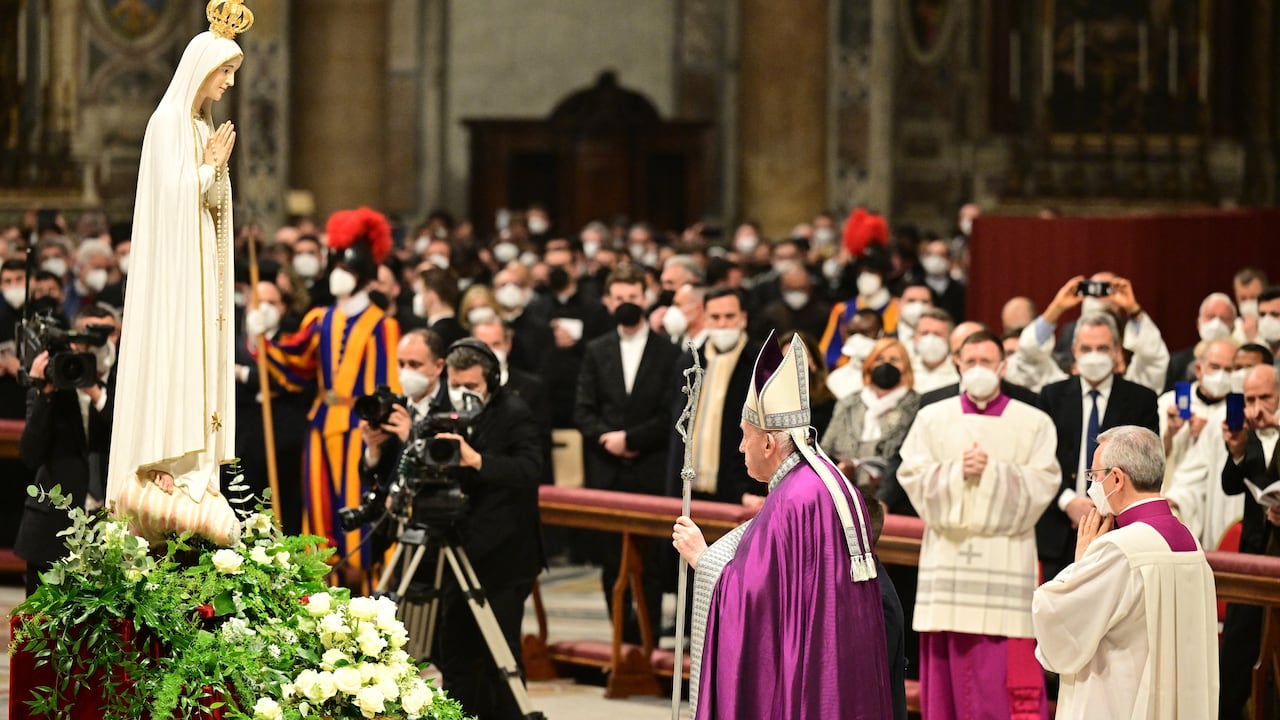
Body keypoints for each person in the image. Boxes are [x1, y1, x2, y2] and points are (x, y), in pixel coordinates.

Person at [672, 332, 891, 719]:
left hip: (810, 674)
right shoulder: (818, 481)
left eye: (745, 436)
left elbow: (755, 599)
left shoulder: (795, 499)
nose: (740, 447)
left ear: (770, 444)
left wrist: (702, 559)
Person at [106, 3, 252, 547]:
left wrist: (215, 172)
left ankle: (198, 474)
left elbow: (209, 201)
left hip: (201, 275)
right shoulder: (168, 123)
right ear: (200, 67)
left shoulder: (201, 125)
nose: (228, 83)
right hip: (176, 279)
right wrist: (211, 167)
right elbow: (170, 202)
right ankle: (165, 465)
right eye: (225, 71)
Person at [897, 330, 1059, 718]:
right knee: (946, 663)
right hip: (948, 557)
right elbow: (912, 476)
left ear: (1003, 366)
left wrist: (993, 473)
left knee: (996, 670)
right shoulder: (931, 417)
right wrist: (956, 473)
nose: (978, 370)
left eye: (987, 362)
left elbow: (1044, 485)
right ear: (958, 364)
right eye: (970, 362)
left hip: (1004, 556)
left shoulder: (1034, 422)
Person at [251, 207, 401, 589]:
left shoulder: (382, 327)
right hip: (320, 425)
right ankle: (321, 596)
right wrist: (266, 338)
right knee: (320, 513)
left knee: (358, 510)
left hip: (361, 429)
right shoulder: (319, 318)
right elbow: (297, 363)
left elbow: (387, 384)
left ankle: (368, 594)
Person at [1032, 426, 1218, 719]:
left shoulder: (1120, 549)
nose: (1093, 487)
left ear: (1116, 478)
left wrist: (1081, 562)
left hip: (1121, 702)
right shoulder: (1189, 541)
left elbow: (1056, 618)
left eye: (1094, 477)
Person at [426, 339, 545, 720]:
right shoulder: (445, 412)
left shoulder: (515, 412)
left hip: (505, 557)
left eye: (472, 387)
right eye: (456, 386)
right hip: (458, 547)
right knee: (455, 653)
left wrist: (477, 460)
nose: (463, 395)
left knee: (500, 657)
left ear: (491, 380)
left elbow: (530, 471)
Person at [575, 266, 678, 643]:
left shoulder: (669, 352)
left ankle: (647, 643)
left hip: (649, 466)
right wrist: (608, 438)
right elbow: (583, 409)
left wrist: (631, 438)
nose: (625, 304)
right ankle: (621, 640)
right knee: (610, 563)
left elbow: (672, 413)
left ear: (645, 298)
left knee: (650, 563)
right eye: (618, 297)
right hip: (607, 468)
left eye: (632, 297)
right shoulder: (596, 349)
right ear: (607, 301)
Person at [1037, 313, 1160, 582]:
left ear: (1117, 352)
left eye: (1102, 348)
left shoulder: (1141, 399)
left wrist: (1102, 503)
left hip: (1118, 530)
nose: (1094, 355)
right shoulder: (1051, 396)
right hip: (1058, 528)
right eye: (1086, 348)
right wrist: (1068, 501)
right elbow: (1039, 459)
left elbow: (1146, 467)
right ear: (1074, 352)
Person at [16, 305, 119, 595]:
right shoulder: (53, 381)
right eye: (83, 340)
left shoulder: (126, 382)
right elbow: (30, 454)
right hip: (52, 528)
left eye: (100, 338)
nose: (90, 348)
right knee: (41, 631)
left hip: (108, 528)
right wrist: (43, 393)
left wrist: (97, 395)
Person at [1219, 363, 1280, 719]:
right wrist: (1238, 450)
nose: (1256, 408)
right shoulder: (1246, 434)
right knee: (1235, 661)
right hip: (1252, 563)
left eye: (1266, 398)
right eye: (1250, 399)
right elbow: (1230, 484)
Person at [822, 337, 919, 496]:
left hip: (891, 495)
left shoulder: (915, 405)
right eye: (879, 359)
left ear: (906, 367)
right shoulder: (849, 403)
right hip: (841, 490)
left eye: (894, 360)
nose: (886, 365)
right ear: (869, 364)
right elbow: (826, 448)